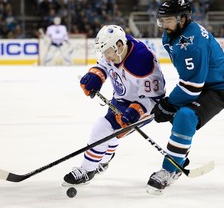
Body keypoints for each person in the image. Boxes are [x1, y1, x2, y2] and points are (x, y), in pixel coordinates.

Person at [146, 0, 224, 194]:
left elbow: (193, 86)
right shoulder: (171, 34)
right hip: (201, 82)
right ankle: (179, 155)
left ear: (183, 18)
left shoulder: (192, 42)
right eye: (162, 20)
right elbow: (192, 80)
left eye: (168, 20)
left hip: (219, 88)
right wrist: (168, 105)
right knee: (178, 117)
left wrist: (168, 104)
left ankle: (170, 170)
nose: (163, 24)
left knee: (185, 116)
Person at [63, 25, 166, 185]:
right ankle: (103, 160)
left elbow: (155, 97)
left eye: (107, 52)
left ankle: (87, 170)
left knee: (102, 127)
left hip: (145, 105)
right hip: (121, 98)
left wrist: (136, 110)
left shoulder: (142, 61)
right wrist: (95, 76)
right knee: (112, 131)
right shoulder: (115, 48)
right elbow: (104, 65)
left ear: (118, 46)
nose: (105, 56)